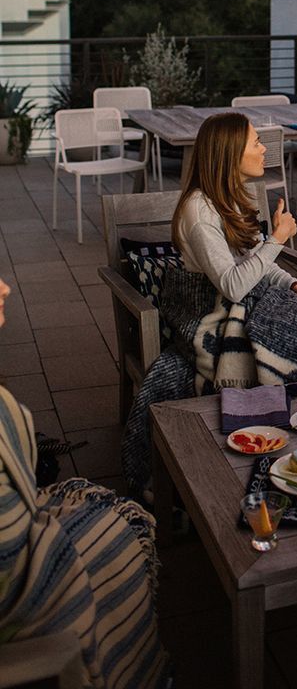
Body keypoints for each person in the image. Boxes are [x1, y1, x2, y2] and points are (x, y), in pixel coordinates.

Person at [122, 112, 297, 495]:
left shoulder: (232, 196)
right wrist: (279, 238)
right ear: (229, 154)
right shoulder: (199, 211)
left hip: (244, 303)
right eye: (255, 142)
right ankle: (286, 443)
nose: (263, 149)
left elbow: (256, 263)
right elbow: (234, 286)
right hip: (212, 317)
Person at [0, 276, 169, 688]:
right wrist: (276, 240)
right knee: (114, 522)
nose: (5, 287)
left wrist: (290, 284)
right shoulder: (199, 216)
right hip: (20, 603)